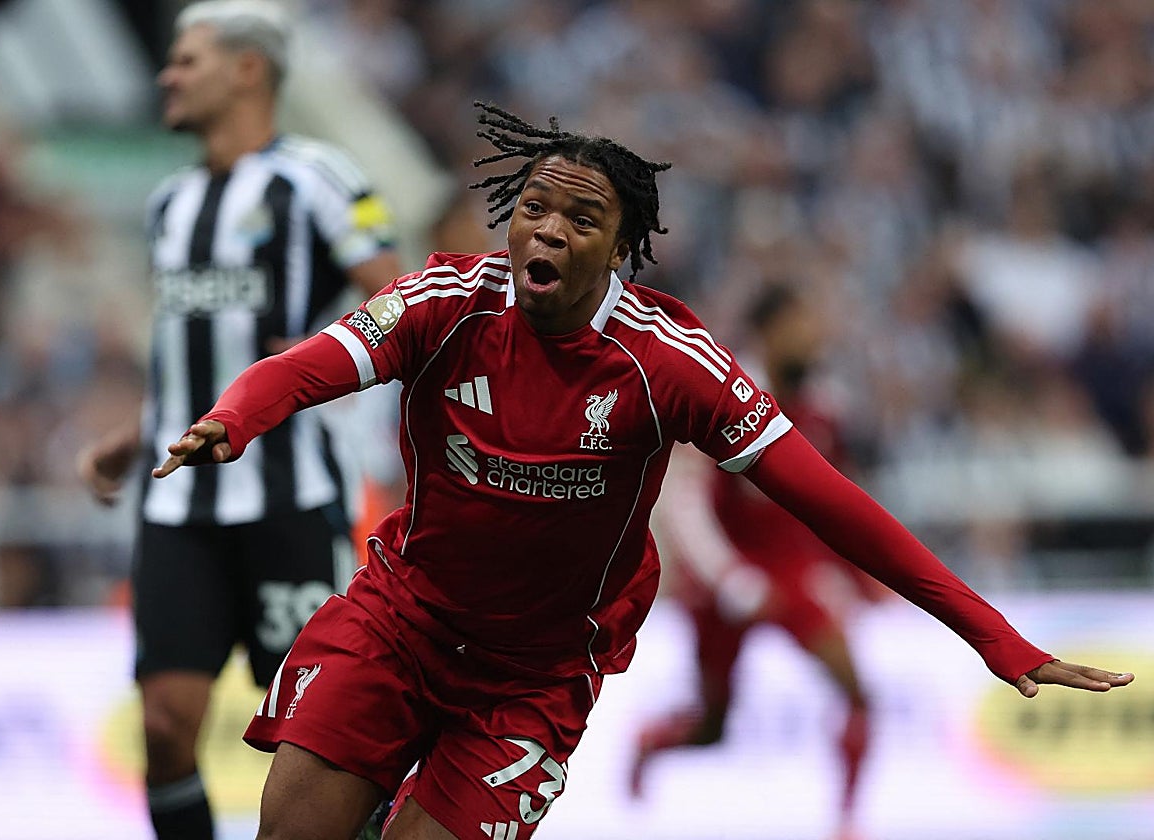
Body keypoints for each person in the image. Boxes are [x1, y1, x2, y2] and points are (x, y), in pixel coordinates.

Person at [151, 101, 1133, 840]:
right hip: (397, 623)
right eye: (533, 205)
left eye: (580, 218)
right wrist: (237, 414)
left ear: (621, 249)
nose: (546, 229)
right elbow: (316, 362)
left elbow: (835, 506)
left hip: (528, 683)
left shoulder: (671, 364)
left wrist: (992, 635)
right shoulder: (445, 301)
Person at [75, 2, 401, 838]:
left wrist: (322, 355)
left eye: (187, 60)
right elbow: (190, 348)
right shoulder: (168, 204)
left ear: (246, 70)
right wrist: (140, 431)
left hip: (289, 496)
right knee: (162, 726)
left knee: (326, 735)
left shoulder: (319, 177)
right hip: (180, 505)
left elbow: (399, 297)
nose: (167, 75)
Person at [630, 283, 886, 839]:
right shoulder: (727, 394)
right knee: (714, 727)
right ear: (771, 331)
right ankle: (652, 742)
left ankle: (846, 822)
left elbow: (835, 500)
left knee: (860, 693)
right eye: (802, 321)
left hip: (791, 573)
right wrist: (728, 577)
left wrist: (862, 574)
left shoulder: (823, 409)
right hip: (730, 578)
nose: (814, 334)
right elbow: (687, 499)